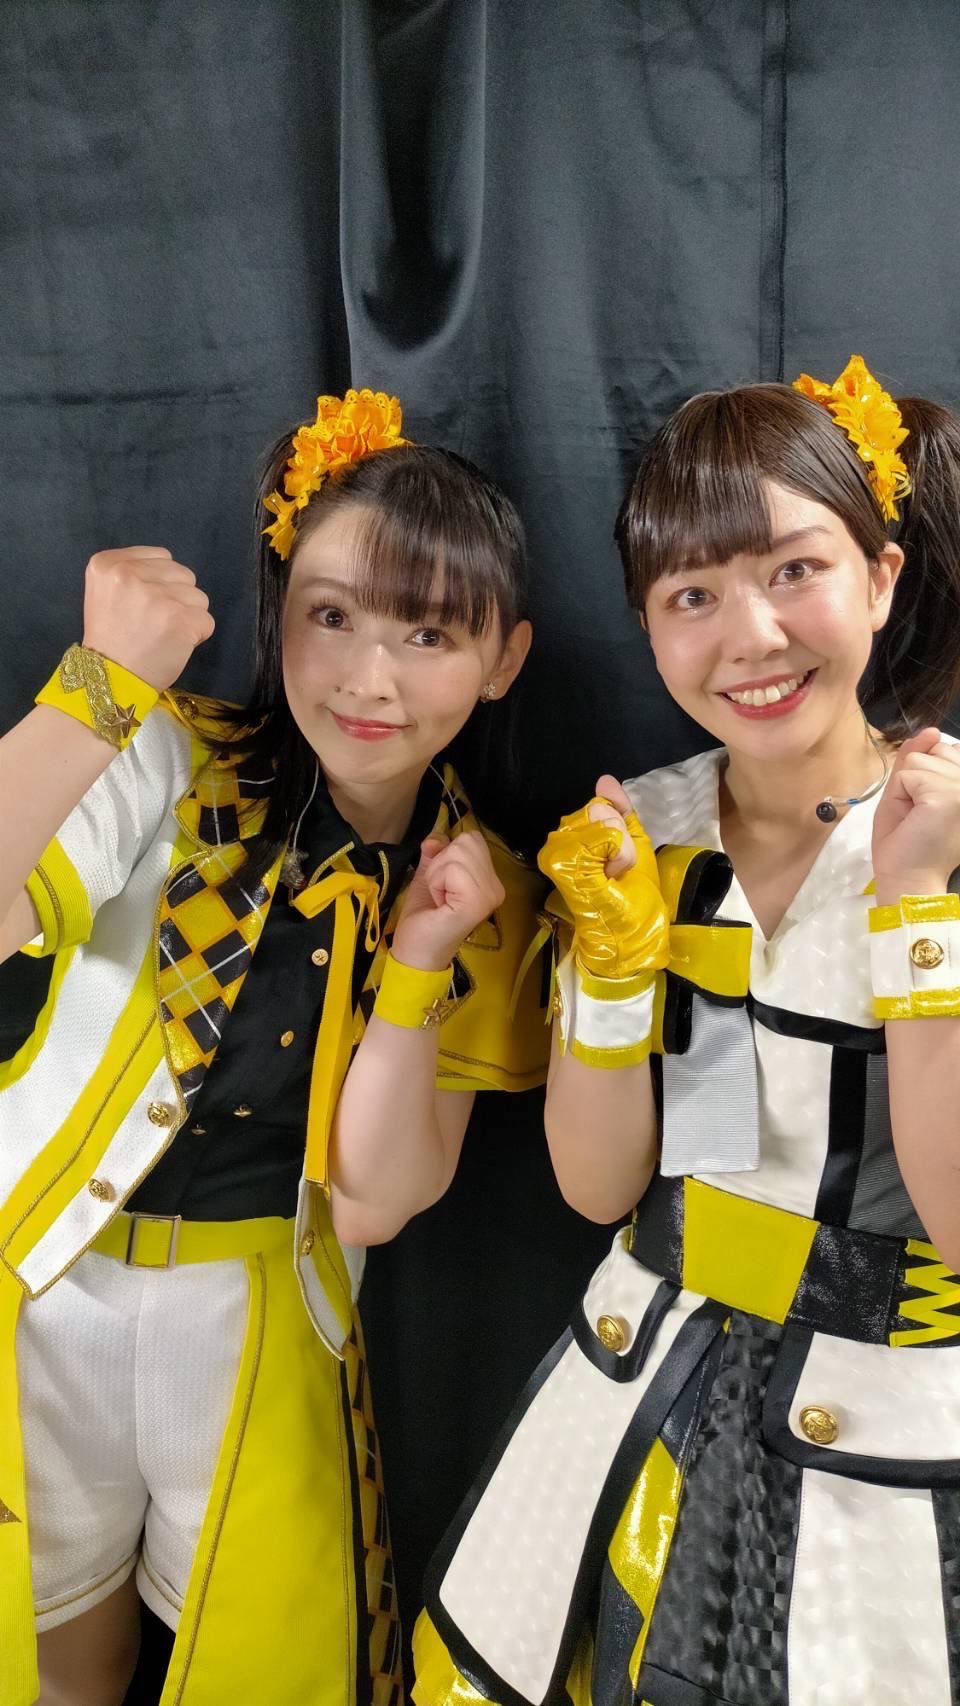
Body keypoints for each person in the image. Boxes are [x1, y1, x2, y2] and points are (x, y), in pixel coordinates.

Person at [413, 357, 960, 1706]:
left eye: (794, 569)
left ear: (881, 577)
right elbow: (600, 1185)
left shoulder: (949, 827)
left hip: (886, 1436)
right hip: (640, 1379)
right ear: (648, 627)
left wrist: (919, 918)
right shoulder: (638, 831)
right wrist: (610, 962)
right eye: (692, 595)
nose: (750, 636)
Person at [0, 388, 548, 1706]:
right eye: (332, 615)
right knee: (59, 1663)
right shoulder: (165, 757)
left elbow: (375, 1200)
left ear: (506, 657)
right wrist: (97, 691)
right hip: (40, 1288)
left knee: (269, 1666)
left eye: (429, 632)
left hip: (261, 1324)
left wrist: (418, 966)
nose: (369, 678)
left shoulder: (486, 892)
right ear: (278, 610)